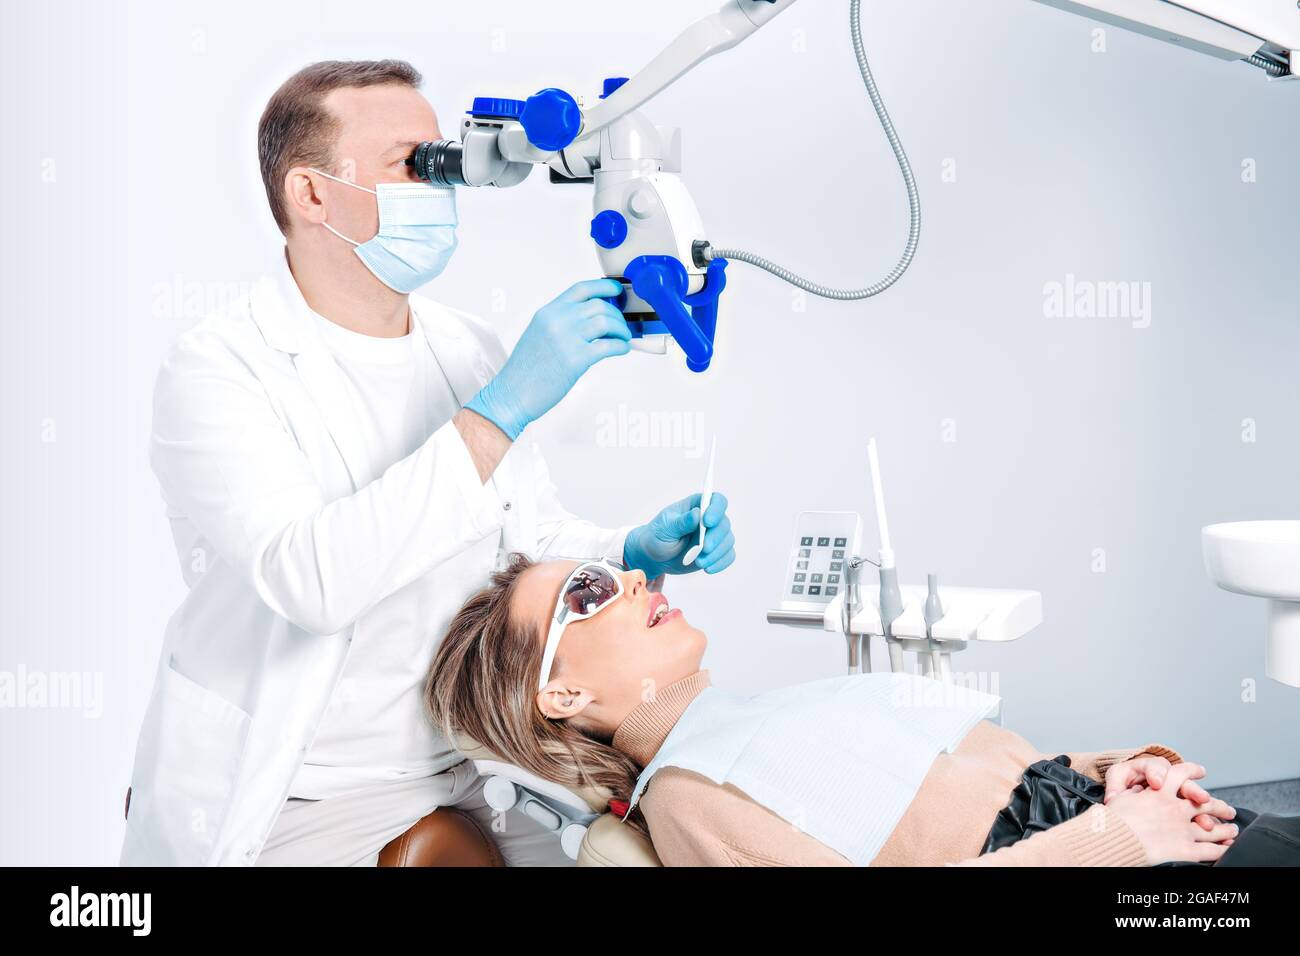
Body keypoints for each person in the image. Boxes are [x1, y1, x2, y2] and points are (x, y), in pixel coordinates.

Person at [122, 60, 735, 867]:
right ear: (311, 195)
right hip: (308, 786)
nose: (440, 186)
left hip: (461, 765)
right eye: (410, 166)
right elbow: (314, 581)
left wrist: (627, 550)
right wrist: (500, 410)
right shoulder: (219, 370)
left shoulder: (465, 345)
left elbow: (523, 534)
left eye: (441, 160)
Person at [427, 555, 1300, 867]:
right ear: (562, 695)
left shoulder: (744, 722)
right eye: (589, 591)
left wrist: (1115, 772)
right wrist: (1116, 841)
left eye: (614, 569)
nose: (634, 582)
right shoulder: (692, 798)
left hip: (1120, 826)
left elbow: (967, 792)